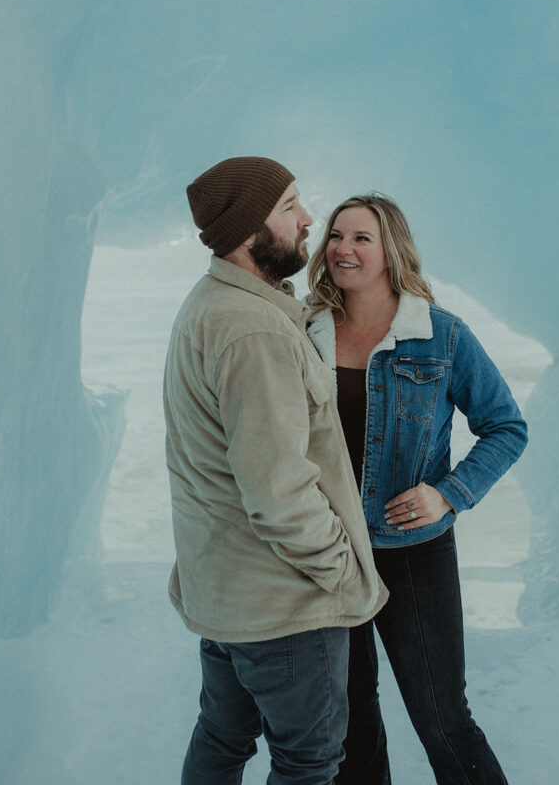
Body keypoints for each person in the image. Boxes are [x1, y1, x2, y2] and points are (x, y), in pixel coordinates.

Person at [163, 158, 388, 785]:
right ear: (246, 228)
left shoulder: (214, 306)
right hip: (284, 604)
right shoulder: (252, 331)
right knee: (308, 761)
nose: (309, 219)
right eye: (290, 205)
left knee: (222, 737)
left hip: (230, 592)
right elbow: (277, 490)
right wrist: (341, 569)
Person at [305, 193, 528, 785]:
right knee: (348, 724)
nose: (343, 249)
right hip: (328, 554)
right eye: (335, 235)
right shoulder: (302, 332)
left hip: (414, 552)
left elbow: (506, 427)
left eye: (361, 238)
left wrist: (449, 493)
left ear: (391, 250)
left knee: (442, 719)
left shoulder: (443, 336)